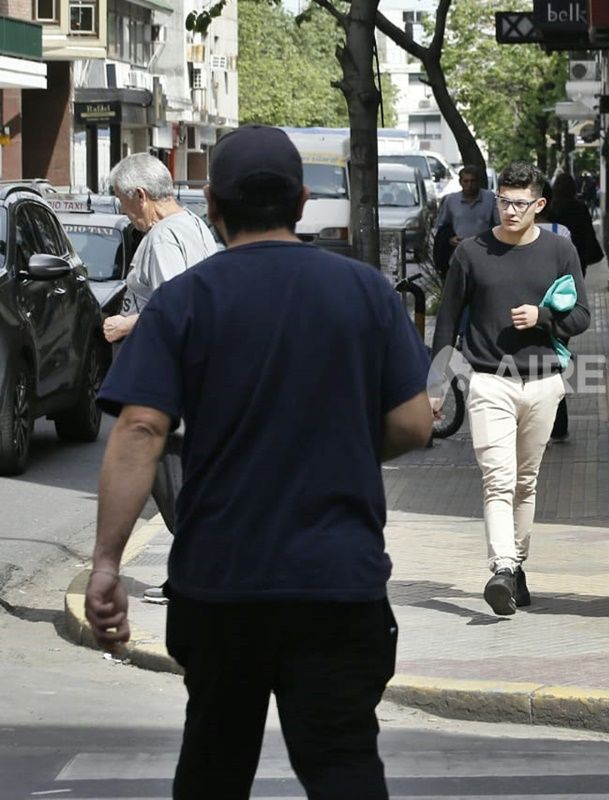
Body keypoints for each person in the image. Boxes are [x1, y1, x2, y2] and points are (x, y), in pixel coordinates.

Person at [83, 124, 433, 798]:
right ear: (302, 201)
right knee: (343, 768)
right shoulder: (365, 293)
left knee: (213, 764)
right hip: (337, 581)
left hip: (220, 585)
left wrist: (106, 565)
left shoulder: (185, 300)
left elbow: (139, 431)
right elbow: (414, 424)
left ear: (212, 205)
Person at [431, 162, 590, 616]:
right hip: (487, 381)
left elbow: (581, 318)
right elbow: (447, 320)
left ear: (539, 205)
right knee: (497, 479)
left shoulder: (560, 251)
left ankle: (516, 565)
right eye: (503, 201)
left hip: (543, 383)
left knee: (525, 481)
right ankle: (501, 566)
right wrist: (437, 381)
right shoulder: (471, 254)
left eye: (520, 203)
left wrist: (542, 318)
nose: (510, 211)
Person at [103, 153, 220, 604]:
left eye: (122, 200)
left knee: (167, 476)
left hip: (168, 381)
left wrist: (123, 325)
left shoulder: (164, 236)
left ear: (141, 195)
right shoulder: (192, 224)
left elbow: (179, 308)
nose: (123, 211)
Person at [544, 172, 603, 441]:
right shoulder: (578, 209)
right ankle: (558, 421)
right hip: (567, 285)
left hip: (543, 291)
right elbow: (588, 241)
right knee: (557, 351)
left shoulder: (553, 213)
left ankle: (551, 421)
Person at [432, 164, 499, 275]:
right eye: (466, 181)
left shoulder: (490, 198)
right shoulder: (451, 200)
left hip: (484, 254)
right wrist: (450, 239)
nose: (469, 185)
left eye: (473, 181)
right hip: (458, 254)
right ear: (460, 182)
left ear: (478, 181)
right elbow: (442, 227)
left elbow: (498, 225)